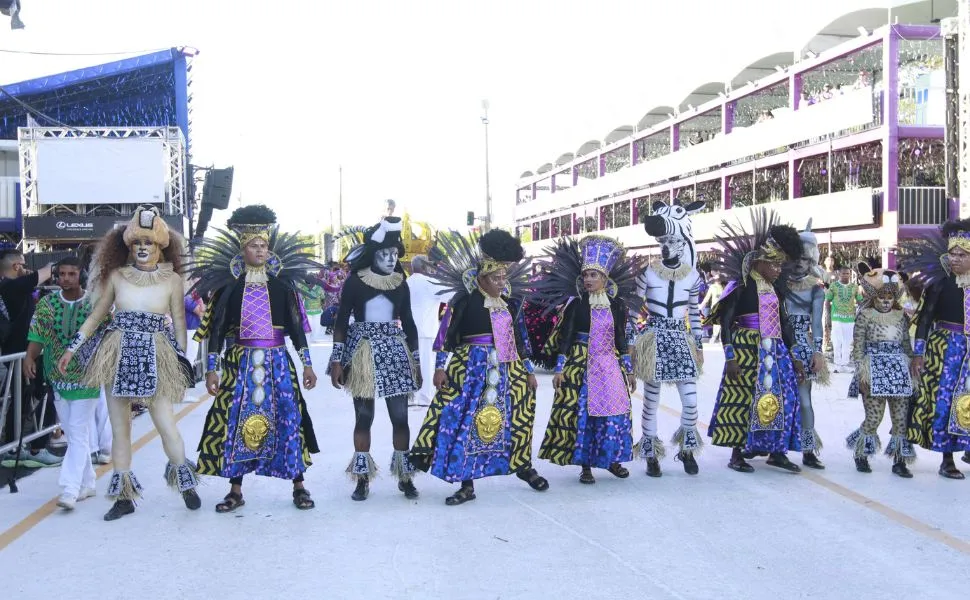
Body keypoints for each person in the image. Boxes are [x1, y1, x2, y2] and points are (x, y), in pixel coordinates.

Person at [58, 206, 200, 521]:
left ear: (160, 245)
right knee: (121, 430)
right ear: (129, 246)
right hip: (117, 353)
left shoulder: (173, 280)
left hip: (156, 353)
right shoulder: (117, 277)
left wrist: (180, 359)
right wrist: (72, 348)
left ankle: (186, 483)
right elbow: (96, 316)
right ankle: (124, 497)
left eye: (148, 243)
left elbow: (178, 322)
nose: (142, 249)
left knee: (166, 425)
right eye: (137, 243)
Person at [192, 204, 321, 512]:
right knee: (235, 421)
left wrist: (307, 363)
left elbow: (296, 329)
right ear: (243, 250)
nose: (260, 250)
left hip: (277, 363)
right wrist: (211, 370)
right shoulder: (230, 289)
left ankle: (299, 485)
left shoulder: (282, 288)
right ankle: (235, 490)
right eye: (254, 245)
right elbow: (217, 331)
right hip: (239, 364)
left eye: (264, 245)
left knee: (289, 420)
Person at [409, 230, 548, 505]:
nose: (501, 282)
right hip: (470, 367)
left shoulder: (511, 303)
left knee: (517, 417)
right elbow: (446, 335)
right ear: (482, 278)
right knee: (464, 420)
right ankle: (466, 483)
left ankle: (522, 466)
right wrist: (440, 368)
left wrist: (529, 370)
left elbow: (520, 339)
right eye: (495, 278)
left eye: (503, 277)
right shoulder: (464, 300)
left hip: (509, 367)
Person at [329, 216, 422, 501]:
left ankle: (405, 477)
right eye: (385, 253)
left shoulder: (400, 284)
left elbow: (408, 322)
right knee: (364, 417)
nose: (391, 259)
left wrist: (415, 362)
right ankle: (362, 478)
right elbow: (342, 321)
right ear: (373, 254)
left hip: (394, 351)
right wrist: (337, 360)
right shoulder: (356, 283)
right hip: (363, 352)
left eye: (395, 254)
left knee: (400, 417)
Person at [532, 236, 638, 484]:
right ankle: (586, 466)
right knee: (583, 415)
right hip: (580, 364)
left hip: (609, 365)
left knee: (614, 414)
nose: (588, 280)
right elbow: (566, 337)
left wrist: (629, 371)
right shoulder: (577, 305)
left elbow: (620, 339)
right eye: (586, 275)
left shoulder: (617, 306)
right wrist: (560, 368)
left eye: (593, 275)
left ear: (605, 278)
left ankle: (611, 460)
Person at [707, 208, 805, 473]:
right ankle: (737, 453)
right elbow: (726, 322)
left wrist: (794, 355)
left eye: (781, 265)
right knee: (743, 399)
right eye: (773, 264)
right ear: (759, 261)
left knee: (782, 397)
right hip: (746, 348)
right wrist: (730, 356)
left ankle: (777, 451)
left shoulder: (776, 289)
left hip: (776, 349)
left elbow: (784, 322)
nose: (777, 270)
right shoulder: (739, 286)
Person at [23, 257, 104, 510]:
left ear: (81, 275)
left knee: (77, 432)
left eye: (72, 273)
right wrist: (29, 357)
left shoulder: (95, 303)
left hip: (88, 376)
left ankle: (69, 488)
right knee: (75, 432)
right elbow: (38, 335)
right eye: (61, 274)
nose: (66, 278)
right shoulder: (47, 304)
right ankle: (88, 482)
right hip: (58, 378)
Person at [636, 200, 706, 476]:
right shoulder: (649, 273)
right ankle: (651, 452)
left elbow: (694, 313)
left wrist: (698, 345)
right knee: (651, 400)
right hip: (654, 339)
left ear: (682, 244)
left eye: (673, 241)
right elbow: (632, 310)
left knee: (690, 401)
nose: (668, 246)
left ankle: (687, 448)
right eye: (663, 242)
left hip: (680, 338)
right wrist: (631, 344)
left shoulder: (693, 277)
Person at [899, 218, 970, 479]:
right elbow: (925, 319)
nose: (956, 259)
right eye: (952, 253)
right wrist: (918, 353)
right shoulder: (940, 282)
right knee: (945, 402)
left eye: (962, 255)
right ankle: (947, 459)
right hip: (945, 349)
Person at [845, 263, 915, 477]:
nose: (886, 300)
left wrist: (912, 369)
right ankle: (861, 453)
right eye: (882, 296)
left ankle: (899, 461)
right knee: (874, 418)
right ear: (874, 296)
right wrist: (861, 374)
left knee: (901, 419)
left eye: (890, 297)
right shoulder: (864, 315)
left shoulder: (902, 316)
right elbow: (858, 347)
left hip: (899, 371)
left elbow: (906, 344)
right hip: (873, 370)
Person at [0, 251, 60, 469]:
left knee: (22, 401)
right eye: (24, 264)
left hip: (22, 353)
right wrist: (53, 267)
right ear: (16, 266)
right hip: (24, 355)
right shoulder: (11, 286)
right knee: (45, 397)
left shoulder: (11, 286)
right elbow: (42, 274)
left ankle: (15, 447)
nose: (27, 269)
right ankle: (37, 447)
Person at [784, 220, 830, 469]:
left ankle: (808, 449)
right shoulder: (777, 282)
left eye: (805, 257)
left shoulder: (815, 287)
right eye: (796, 257)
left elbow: (817, 321)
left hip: (802, 343)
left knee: (804, 400)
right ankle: (770, 445)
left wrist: (818, 351)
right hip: (778, 343)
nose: (800, 262)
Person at [406, 255, 450, 404]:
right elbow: (451, 297)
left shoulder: (406, 282)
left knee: (411, 364)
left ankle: (411, 397)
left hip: (407, 331)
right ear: (425, 267)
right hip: (426, 330)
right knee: (426, 365)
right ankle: (425, 397)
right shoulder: (431, 282)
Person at [826, 266, 864, 371]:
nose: (846, 275)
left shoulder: (855, 287)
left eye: (848, 274)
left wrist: (862, 311)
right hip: (836, 317)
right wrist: (828, 316)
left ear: (850, 274)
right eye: (844, 273)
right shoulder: (833, 286)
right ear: (839, 274)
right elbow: (827, 301)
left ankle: (845, 363)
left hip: (850, 318)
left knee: (848, 341)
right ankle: (838, 364)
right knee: (837, 340)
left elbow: (860, 301)